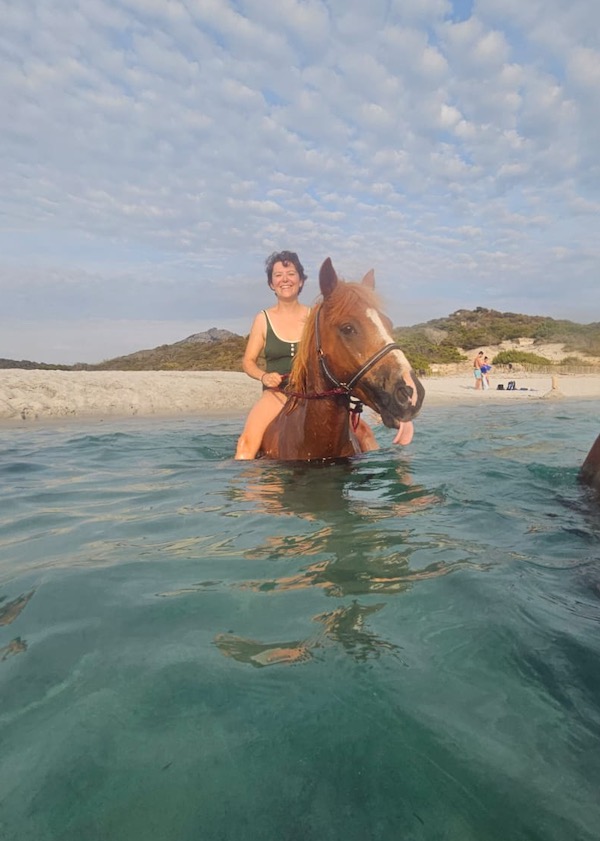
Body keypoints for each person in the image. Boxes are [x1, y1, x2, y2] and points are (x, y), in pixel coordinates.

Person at [234, 251, 407, 459]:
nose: (285, 279)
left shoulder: (315, 316)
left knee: (365, 433)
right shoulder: (263, 318)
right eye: (278, 275)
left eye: (291, 273)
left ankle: (392, 478)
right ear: (271, 283)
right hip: (277, 393)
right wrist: (264, 376)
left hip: (315, 393)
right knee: (246, 444)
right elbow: (248, 361)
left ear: (301, 281)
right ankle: (250, 491)